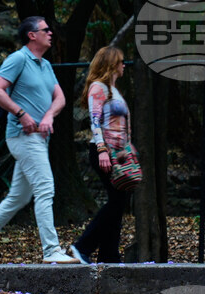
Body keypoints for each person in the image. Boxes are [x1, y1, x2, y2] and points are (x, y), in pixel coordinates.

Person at [0, 16, 78, 264]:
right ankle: (51, 251)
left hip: (39, 139)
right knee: (45, 187)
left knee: (18, 198)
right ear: (32, 35)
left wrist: (49, 115)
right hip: (23, 136)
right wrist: (21, 114)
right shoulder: (18, 59)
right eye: (46, 29)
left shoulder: (45, 65)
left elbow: (60, 99)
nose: (51, 33)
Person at [69, 46, 131, 265]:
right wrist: (103, 150)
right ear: (111, 63)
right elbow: (94, 121)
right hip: (103, 151)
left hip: (118, 153)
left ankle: (109, 256)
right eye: (121, 61)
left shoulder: (114, 90)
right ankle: (82, 246)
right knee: (116, 201)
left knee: (118, 201)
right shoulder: (99, 87)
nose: (124, 65)